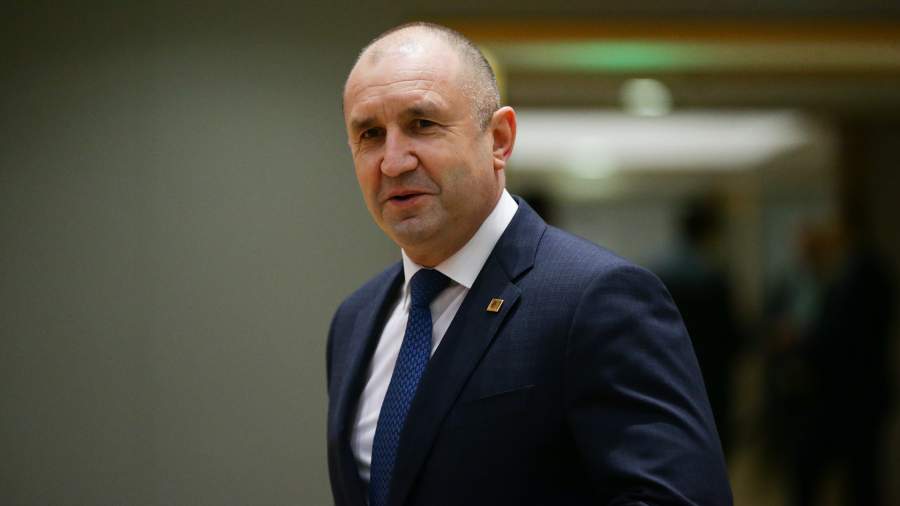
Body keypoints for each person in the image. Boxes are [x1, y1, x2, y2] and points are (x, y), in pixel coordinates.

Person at [326, 22, 731, 506]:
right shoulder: (355, 320)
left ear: (499, 139)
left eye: (422, 124)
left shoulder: (597, 298)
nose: (393, 162)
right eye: (370, 134)